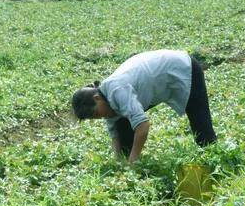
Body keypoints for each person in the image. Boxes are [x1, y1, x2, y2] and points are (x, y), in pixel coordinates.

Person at [70, 49, 216, 164]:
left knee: (202, 128)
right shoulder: (106, 101)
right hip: (159, 77)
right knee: (122, 125)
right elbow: (115, 135)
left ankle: (215, 160)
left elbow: (143, 125)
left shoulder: (117, 90)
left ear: (97, 98)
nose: (101, 117)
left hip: (183, 68)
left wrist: (133, 160)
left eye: (96, 114)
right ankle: (128, 163)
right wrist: (119, 162)